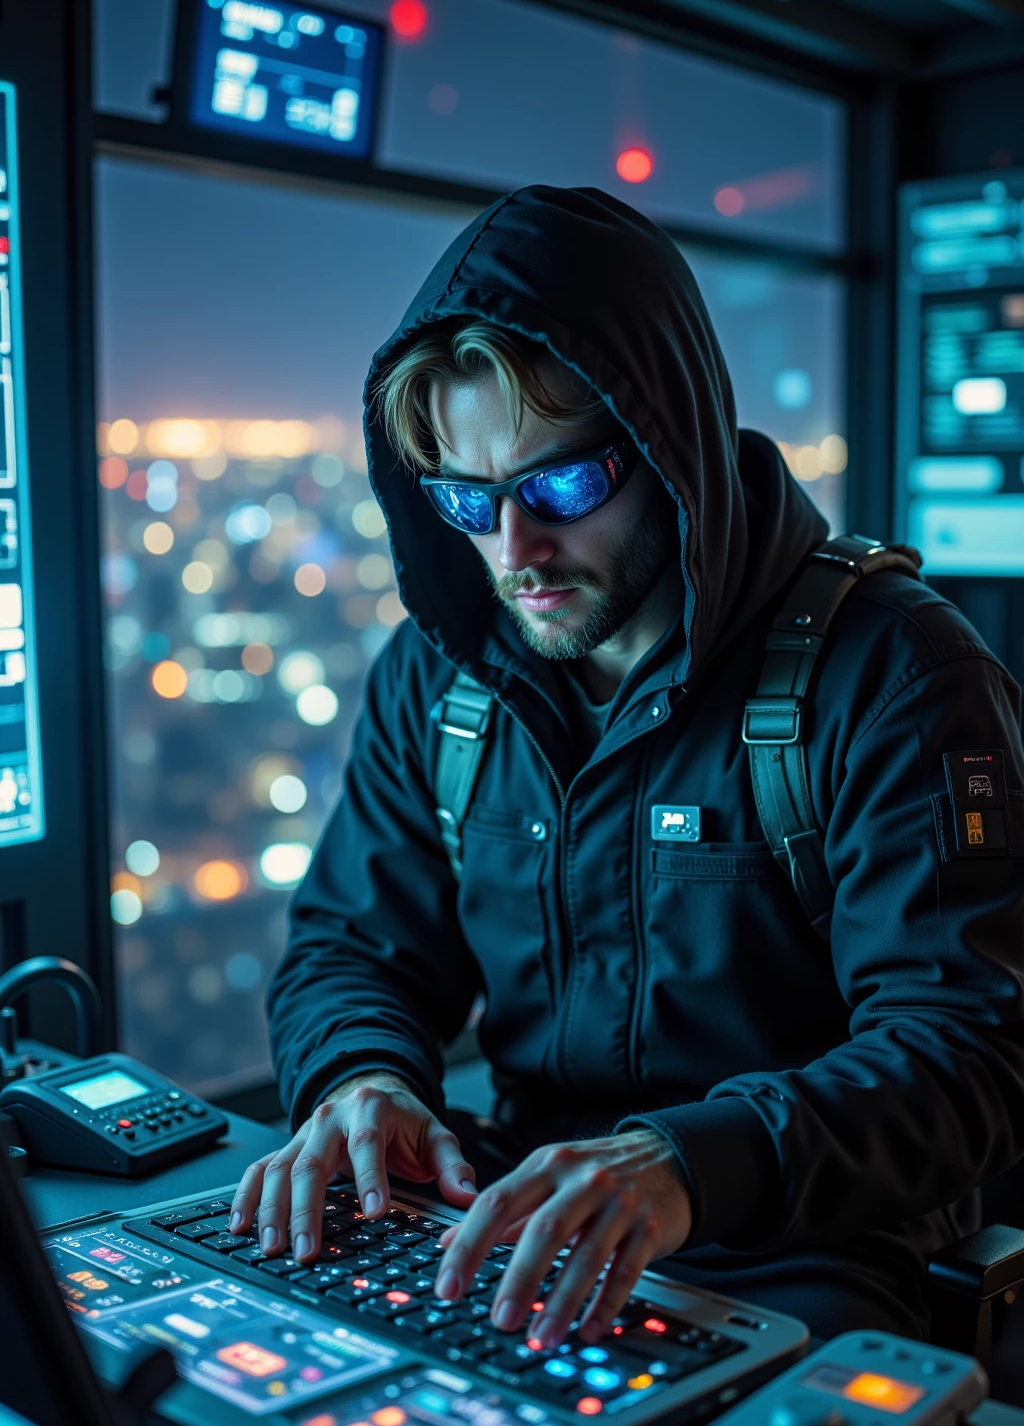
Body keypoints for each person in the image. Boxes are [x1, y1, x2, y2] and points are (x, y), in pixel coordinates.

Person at [230, 185, 1024, 1349]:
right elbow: (354, 944)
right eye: (466, 498)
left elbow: (968, 1049)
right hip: (511, 1215)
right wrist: (362, 1078)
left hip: (800, 1256)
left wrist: (687, 1163)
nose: (515, 551)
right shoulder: (441, 680)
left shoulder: (893, 674)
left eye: (557, 487)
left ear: (671, 444)